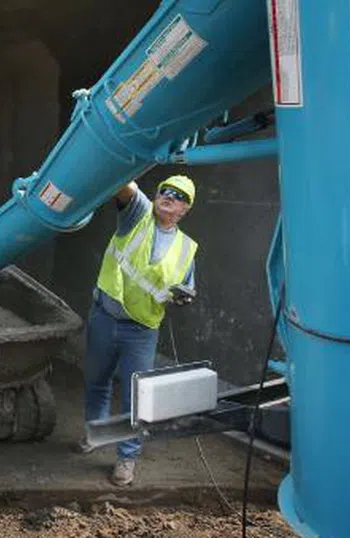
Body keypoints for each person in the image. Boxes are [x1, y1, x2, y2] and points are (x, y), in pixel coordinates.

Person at [79, 175, 198, 487]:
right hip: (105, 316)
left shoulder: (187, 248)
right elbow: (122, 181)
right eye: (165, 190)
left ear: (185, 209)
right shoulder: (138, 215)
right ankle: (96, 433)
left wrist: (183, 296)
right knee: (97, 382)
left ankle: (127, 458)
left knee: (138, 398)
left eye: (178, 195)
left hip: (142, 330)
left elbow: (187, 286)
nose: (169, 196)